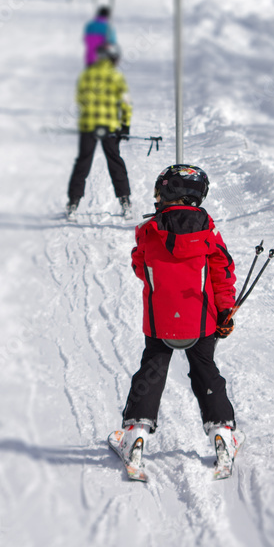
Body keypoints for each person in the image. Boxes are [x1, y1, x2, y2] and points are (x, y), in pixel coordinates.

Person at [109, 164, 243, 473]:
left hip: (160, 321)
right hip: (202, 319)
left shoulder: (147, 231)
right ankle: (223, 434)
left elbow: (140, 268)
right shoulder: (208, 230)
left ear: (168, 193)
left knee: (151, 373)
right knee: (205, 372)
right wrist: (225, 311)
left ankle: (135, 436)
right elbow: (223, 273)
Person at [66, 43, 132, 217]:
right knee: (115, 161)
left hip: (88, 126)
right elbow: (126, 102)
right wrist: (125, 125)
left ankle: (73, 202)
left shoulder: (86, 75)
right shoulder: (116, 76)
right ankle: (125, 201)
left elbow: (80, 99)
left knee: (83, 162)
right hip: (109, 126)